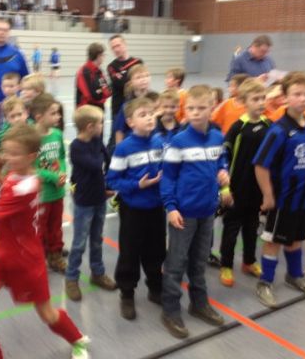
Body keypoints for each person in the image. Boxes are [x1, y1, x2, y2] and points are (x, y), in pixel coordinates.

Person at [0, 124, 90, 359]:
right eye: (5, 152)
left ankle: (77, 339)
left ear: (31, 157)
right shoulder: (22, 175)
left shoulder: (25, 187)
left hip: (25, 260)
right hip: (3, 255)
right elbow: (9, 184)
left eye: (13, 153)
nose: (7, 157)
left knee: (46, 313)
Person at [159, 85, 231, 339]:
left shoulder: (217, 137)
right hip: (184, 213)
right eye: (191, 108)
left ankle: (199, 303)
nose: (196, 113)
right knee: (176, 263)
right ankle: (170, 310)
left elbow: (221, 162)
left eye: (201, 108)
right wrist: (170, 207)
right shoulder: (178, 141)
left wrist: (224, 174)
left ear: (212, 109)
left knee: (199, 262)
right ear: (185, 110)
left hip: (207, 211)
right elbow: (168, 178)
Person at [253, 71, 305, 308]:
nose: (303, 98)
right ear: (285, 97)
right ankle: (265, 282)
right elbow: (260, 165)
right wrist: (268, 195)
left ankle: (295, 275)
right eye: (297, 94)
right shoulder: (279, 130)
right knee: (274, 240)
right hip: (284, 199)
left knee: (297, 238)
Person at [106, 97, 166, 320]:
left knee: (156, 250)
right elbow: (112, 180)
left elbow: (166, 170)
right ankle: (127, 293)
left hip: (156, 207)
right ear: (130, 122)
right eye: (143, 115)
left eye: (151, 113)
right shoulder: (124, 148)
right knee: (130, 252)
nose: (149, 118)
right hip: (133, 209)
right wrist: (136, 185)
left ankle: (155, 288)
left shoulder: (160, 142)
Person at [219, 78, 270, 287]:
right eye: (255, 99)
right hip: (237, 188)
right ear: (243, 101)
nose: (260, 103)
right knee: (231, 229)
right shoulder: (238, 128)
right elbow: (224, 157)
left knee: (252, 228)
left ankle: (249, 261)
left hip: (257, 189)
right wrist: (225, 187)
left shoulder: (268, 125)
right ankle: (226, 265)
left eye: (263, 98)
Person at [65, 105, 116, 301]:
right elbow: (96, 164)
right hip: (84, 202)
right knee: (79, 243)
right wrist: (103, 158)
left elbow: (107, 159)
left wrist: (108, 184)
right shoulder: (77, 147)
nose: (103, 126)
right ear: (89, 127)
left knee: (97, 239)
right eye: (100, 123)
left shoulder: (96, 140)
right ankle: (71, 278)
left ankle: (98, 273)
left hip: (99, 198)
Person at [31, 94, 68, 272]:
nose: (58, 116)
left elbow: (61, 157)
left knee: (56, 226)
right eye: (53, 113)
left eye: (58, 113)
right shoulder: (32, 139)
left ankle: (55, 255)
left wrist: (62, 173)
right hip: (42, 194)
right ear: (39, 117)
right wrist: (53, 177)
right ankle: (39, 257)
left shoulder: (57, 134)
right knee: (40, 228)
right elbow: (33, 167)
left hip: (57, 192)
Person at [107, 34, 143, 119]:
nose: (116, 49)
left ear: (125, 44)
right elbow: (121, 84)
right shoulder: (111, 67)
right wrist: (135, 80)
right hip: (118, 109)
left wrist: (129, 80)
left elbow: (142, 83)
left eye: (118, 45)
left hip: (136, 105)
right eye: (113, 47)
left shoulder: (138, 62)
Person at [75, 42, 111, 110]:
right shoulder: (84, 72)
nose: (104, 57)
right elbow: (90, 96)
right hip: (87, 111)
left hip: (98, 109)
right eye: (103, 55)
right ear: (98, 55)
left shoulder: (99, 70)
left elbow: (108, 91)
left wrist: (100, 91)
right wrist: (102, 91)